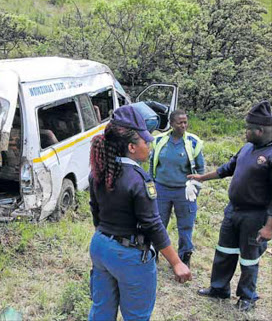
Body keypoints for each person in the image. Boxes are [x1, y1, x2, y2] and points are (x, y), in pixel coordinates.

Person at [89, 105, 192, 321]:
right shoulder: (138, 180)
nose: (150, 144)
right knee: (137, 317)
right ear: (132, 147)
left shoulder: (100, 171)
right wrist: (176, 262)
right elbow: (153, 224)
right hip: (129, 255)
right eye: (145, 141)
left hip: (100, 247)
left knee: (101, 312)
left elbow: (95, 210)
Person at [188, 100, 272, 312]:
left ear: (260, 130)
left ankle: (247, 296)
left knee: (249, 258)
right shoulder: (247, 148)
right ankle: (219, 288)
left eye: (248, 129)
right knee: (224, 250)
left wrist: (269, 227)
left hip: (255, 215)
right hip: (233, 210)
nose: (245, 132)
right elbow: (227, 168)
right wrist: (202, 177)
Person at [149, 110, 205, 267]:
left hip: (184, 191)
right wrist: (151, 186)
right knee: (158, 223)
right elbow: (153, 164)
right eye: (180, 122)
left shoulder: (193, 142)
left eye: (185, 122)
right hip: (162, 189)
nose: (183, 125)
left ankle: (184, 257)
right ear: (171, 124)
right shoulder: (160, 140)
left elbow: (200, 169)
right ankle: (154, 254)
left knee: (186, 225)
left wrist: (195, 188)